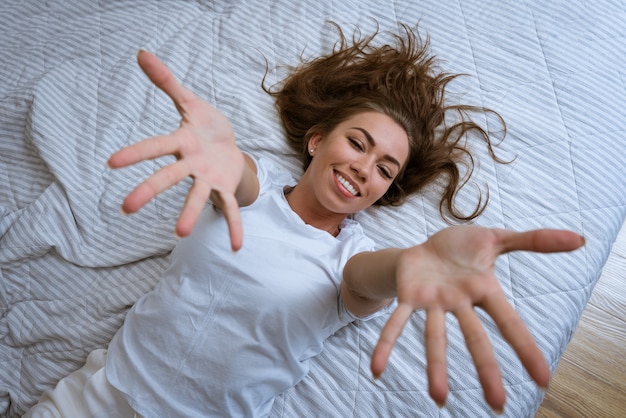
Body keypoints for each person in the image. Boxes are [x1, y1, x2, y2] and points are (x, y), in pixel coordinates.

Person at [25, 25, 584, 417]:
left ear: (385, 191)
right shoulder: (257, 185)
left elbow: (369, 280)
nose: (364, 168)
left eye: (385, 169)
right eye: (357, 143)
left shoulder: (349, 260)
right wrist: (220, 158)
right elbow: (234, 179)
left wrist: (414, 261)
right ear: (317, 141)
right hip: (96, 397)